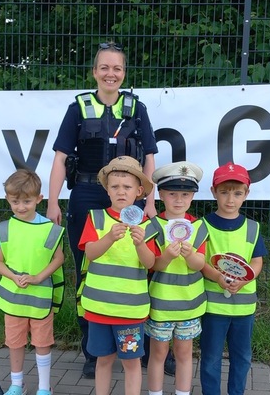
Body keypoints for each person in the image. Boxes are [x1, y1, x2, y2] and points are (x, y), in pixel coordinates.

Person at [46, 40, 161, 378]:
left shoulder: (136, 108)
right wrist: (53, 202)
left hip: (130, 198)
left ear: (124, 73)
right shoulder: (77, 108)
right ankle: (93, 351)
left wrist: (150, 200)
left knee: (143, 265)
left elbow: (150, 156)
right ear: (95, 72)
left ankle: (143, 346)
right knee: (87, 268)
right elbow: (60, 158)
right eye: (105, 67)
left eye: (118, 68)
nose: (111, 74)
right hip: (86, 194)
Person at [77, 156, 157, 395]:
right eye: (115, 186)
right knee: (103, 360)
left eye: (127, 187)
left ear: (139, 191)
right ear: (107, 190)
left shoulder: (148, 225)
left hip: (131, 311)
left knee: (132, 364)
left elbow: (151, 264)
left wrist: (141, 244)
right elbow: (90, 253)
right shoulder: (96, 218)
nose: (121, 192)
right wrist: (109, 237)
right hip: (99, 308)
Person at [0, 169, 66, 395]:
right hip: (12, 299)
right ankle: (17, 384)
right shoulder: (4, 228)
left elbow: (59, 258)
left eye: (27, 201)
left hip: (40, 299)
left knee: (42, 343)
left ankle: (44, 387)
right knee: (14, 343)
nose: (21, 206)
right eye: (15, 201)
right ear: (8, 199)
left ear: (38, 199)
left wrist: (38, 278)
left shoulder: (51, 229)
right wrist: (12, 276)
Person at [199, 162, 268, 395]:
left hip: (244, 308)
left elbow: (257, 261)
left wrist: (246, 280)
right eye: (224, 192)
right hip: (213, 306)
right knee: (210, 357)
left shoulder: (253, 227)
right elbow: (200, 263)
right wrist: (217, 277)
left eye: (237, 193)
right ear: (213, 192)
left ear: (246, 194)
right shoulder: (203, 225)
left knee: (242, 357)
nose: (230, 200)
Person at [145, 162, 208, 395]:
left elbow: (200, 265)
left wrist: (190, 255)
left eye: (185, 194)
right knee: (158, 354)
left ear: (192, 197)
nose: (179, 199)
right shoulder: (152, 226)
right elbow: (152, 266)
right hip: (161, 303)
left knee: (184, 354)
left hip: (189, 304)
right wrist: (167, 257)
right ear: (161, 194)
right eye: (172, 194)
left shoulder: (200, 227)